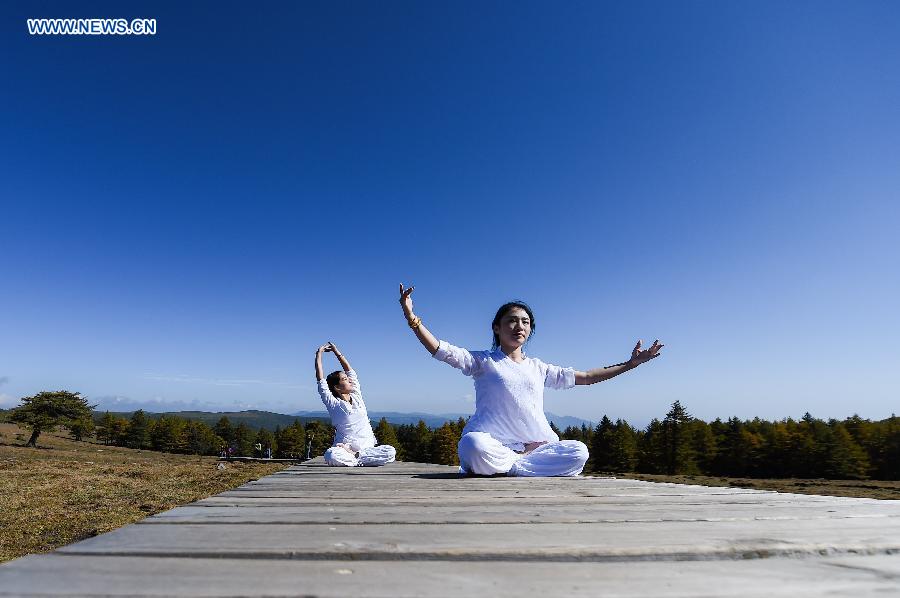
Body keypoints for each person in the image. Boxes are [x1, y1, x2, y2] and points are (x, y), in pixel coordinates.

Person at [398, 283, 663, 477]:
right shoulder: (482, 361)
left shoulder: (539, 368)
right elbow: (439, 349)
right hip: (493, 444)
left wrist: (631, 364)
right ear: (497, 328)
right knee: (472, 445)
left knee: (579, 451)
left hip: (535, 446)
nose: (519, 326)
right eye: (512, 321)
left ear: (530, 329)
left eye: (525, 322)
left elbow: (587, 377)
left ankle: (510, 466)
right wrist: (412, 318)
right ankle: (516, 463)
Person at [314, 342, 397, 467]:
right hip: (345, 448)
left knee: (391, 451)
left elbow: (350, 370)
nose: (349, 380)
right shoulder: (333, 404)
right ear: (337, 387)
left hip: (366, 448)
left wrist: (337, 352)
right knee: (331, 455)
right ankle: (359, 459)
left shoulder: (356, 395)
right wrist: (319, 354)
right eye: (345, 379)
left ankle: (357, 458)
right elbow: (321, 381)